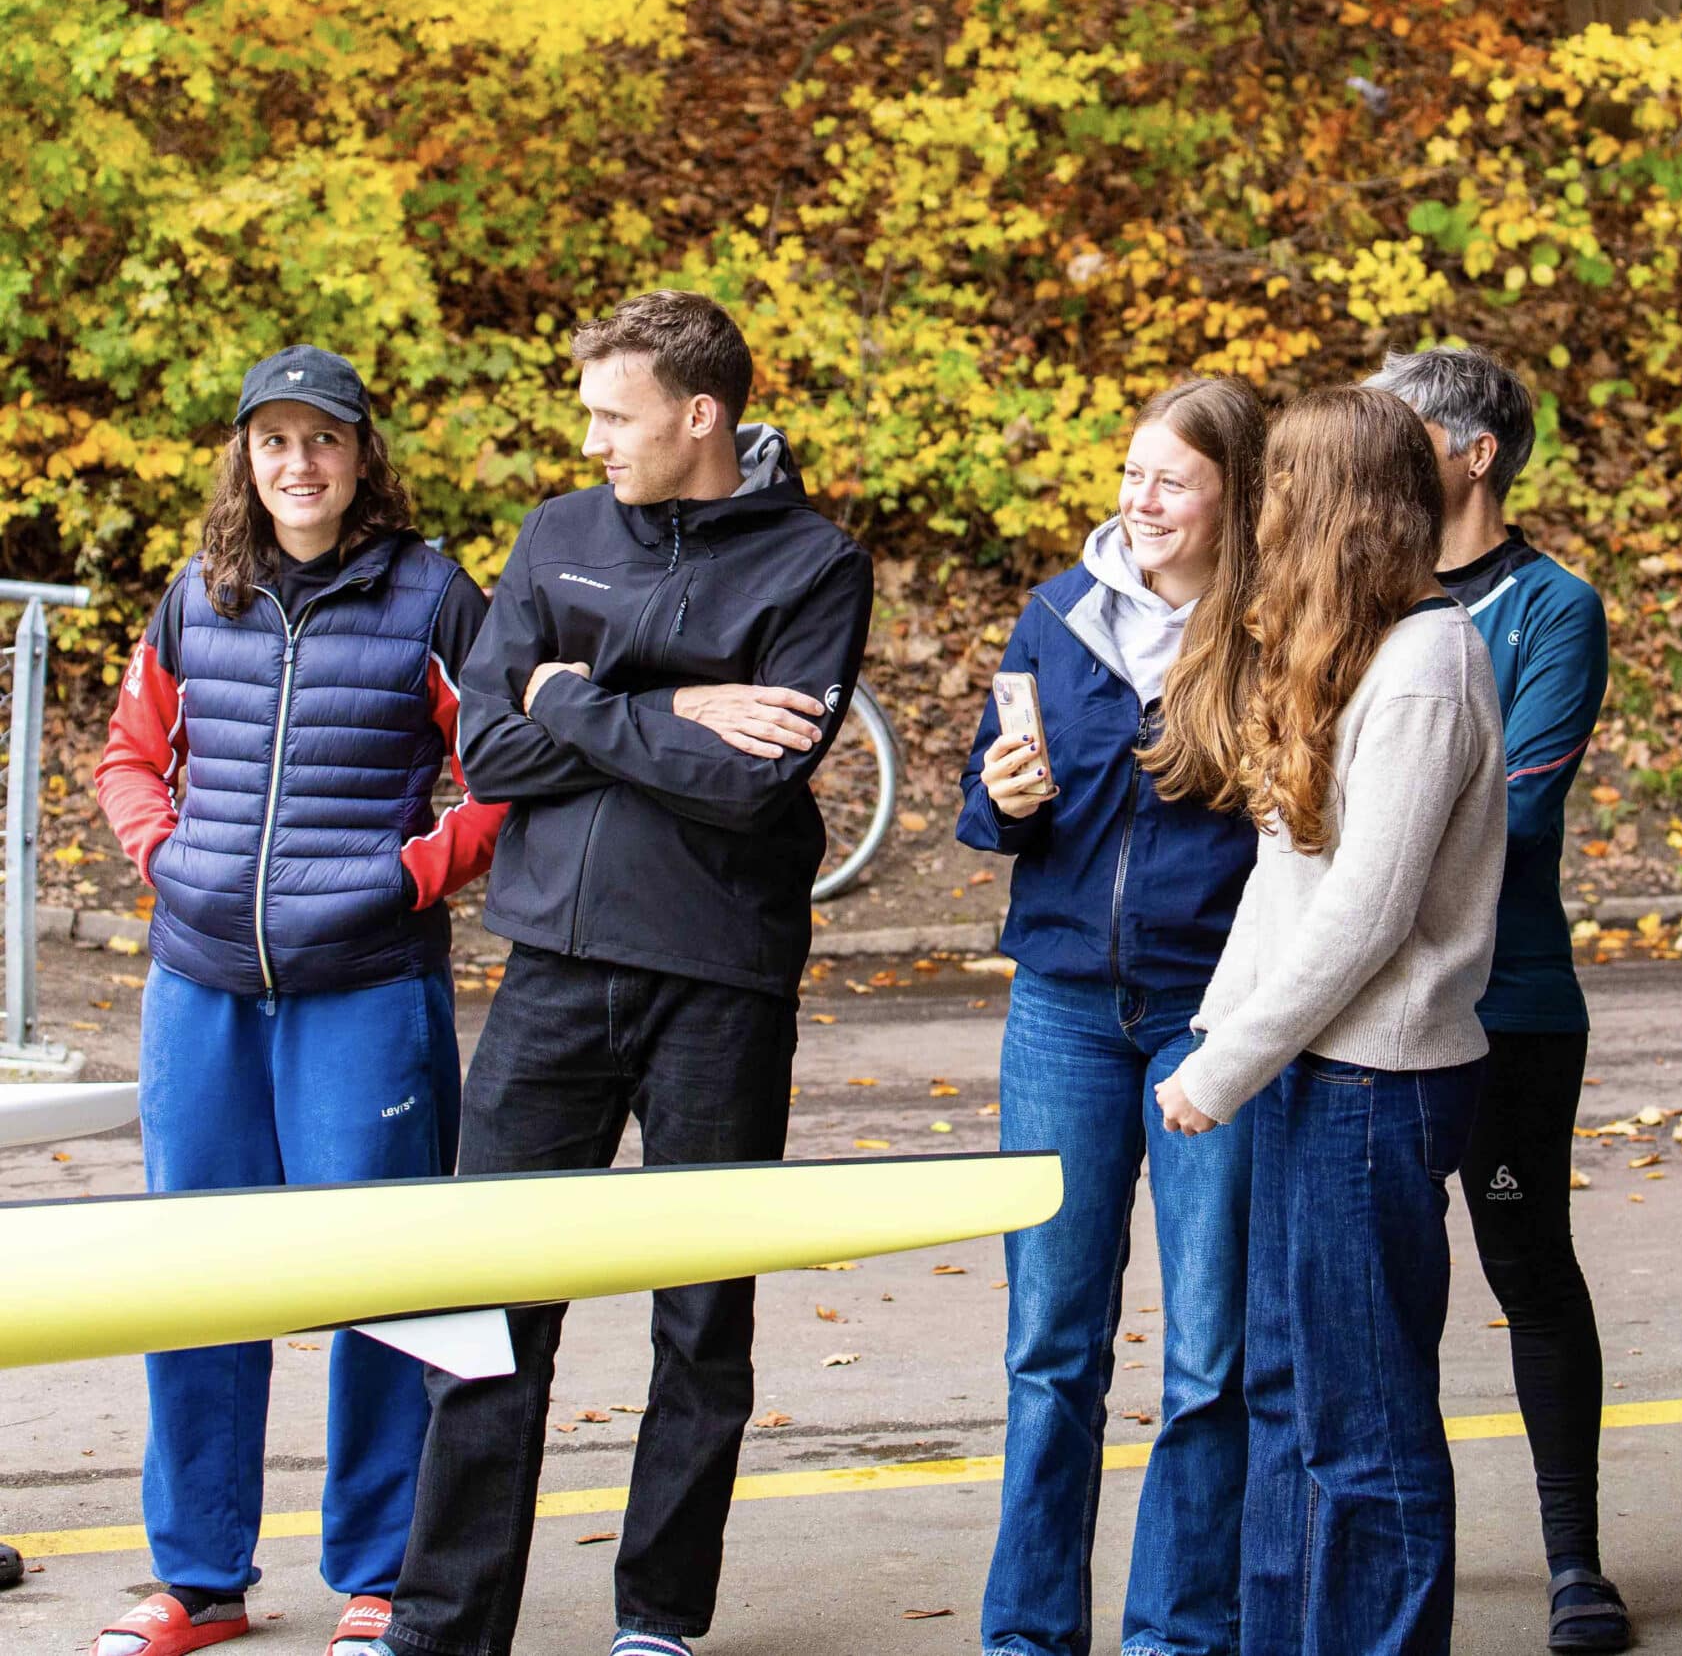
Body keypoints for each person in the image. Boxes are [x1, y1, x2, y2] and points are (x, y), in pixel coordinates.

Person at [359, 291, 873, 1656]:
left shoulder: (817, 565)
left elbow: (750, 784)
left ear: (698, 415)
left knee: (701, 1319)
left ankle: (658, 1615)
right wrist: (668, 705)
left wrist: (570, 695)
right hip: (550, 968)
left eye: (612, 414)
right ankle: (442, 1625)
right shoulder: (558, 533)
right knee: (483, 1308)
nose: (592, 439)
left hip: (720, 979)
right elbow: (490, 749)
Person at [91, 346, 504, 1656]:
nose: (298, 462)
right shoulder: (197, 590)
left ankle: (380, 1575)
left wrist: (410, 874)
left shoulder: (433, 594)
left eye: (321, 437)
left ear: (361, 452)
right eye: (273, 440)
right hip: (198, 983)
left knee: (382, 1281)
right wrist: (165, 857)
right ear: (246, 456)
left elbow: (502, 770)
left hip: (366, 988)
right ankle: (199, 1579)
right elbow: (128, 753)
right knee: (196, 1281)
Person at [1154, 385, 1506, 1656]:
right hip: (1307, 1069)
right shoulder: (1351, 649)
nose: (1263, 512)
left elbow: (1367, 913)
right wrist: (1220, 1036)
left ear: (1341, 508)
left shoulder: (1427, 665)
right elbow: (1285, 877)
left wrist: (1224, 1070)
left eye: (1284, 488)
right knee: (1286, 1402)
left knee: (1365, 1430)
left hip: (1377, 1084)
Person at [959, 377, 1266, 1656]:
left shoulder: (1275, 632)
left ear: (1235, 498)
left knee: (1209, 1354)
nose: (1140, 500)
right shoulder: (1060, 611)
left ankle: (1177, 1636)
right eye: (1132, 473)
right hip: (1062, 1011)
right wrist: (1002, 794)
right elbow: (988, 815)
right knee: (1049, 1347)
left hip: (1213, 1014)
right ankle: (1028, 1637)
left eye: (1172, 481)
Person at [1364, 347, 1627, 1652]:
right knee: (1379, 1284)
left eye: (1400, 425)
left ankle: (1575, 1562)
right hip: (1362, 1005)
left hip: (1507, 1003)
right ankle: (1397, 1547)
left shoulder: (1554, 607)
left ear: (1474, 453)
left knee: (1525, 1261)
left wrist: (1369, 849)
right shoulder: (1361, 591)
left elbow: (1518, 816)